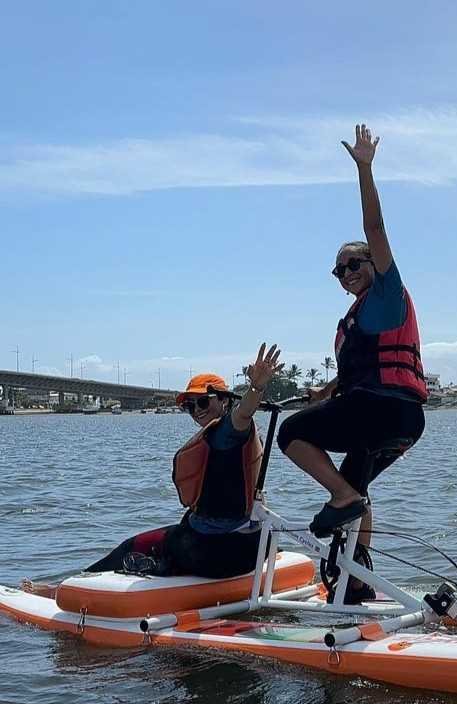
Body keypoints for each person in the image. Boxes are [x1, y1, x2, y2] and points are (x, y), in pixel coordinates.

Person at [277, 124, 427, 603]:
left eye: (353, 265)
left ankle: (343, 501)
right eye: (338, 271)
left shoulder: (386, 292)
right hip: (400, 420)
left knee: (291, 434)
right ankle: (358, 578)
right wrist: (327, 392)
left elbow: (375, 228)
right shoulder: (359, 318)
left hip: (384, 411)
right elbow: (364, 368)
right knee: (357, 488)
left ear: (373, 265)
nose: (345, 274)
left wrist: (364, 168)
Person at [85, 343, 282, 579]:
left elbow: (244, 412)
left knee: (132, 548)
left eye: (202, 401)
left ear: (224, 401)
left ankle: (71, 588)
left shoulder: (230, 430)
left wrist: (256, 387)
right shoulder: (221, 434)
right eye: (189, 406)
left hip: (214, 551)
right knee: (163, 539)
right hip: (250, 545)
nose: (196, 410)